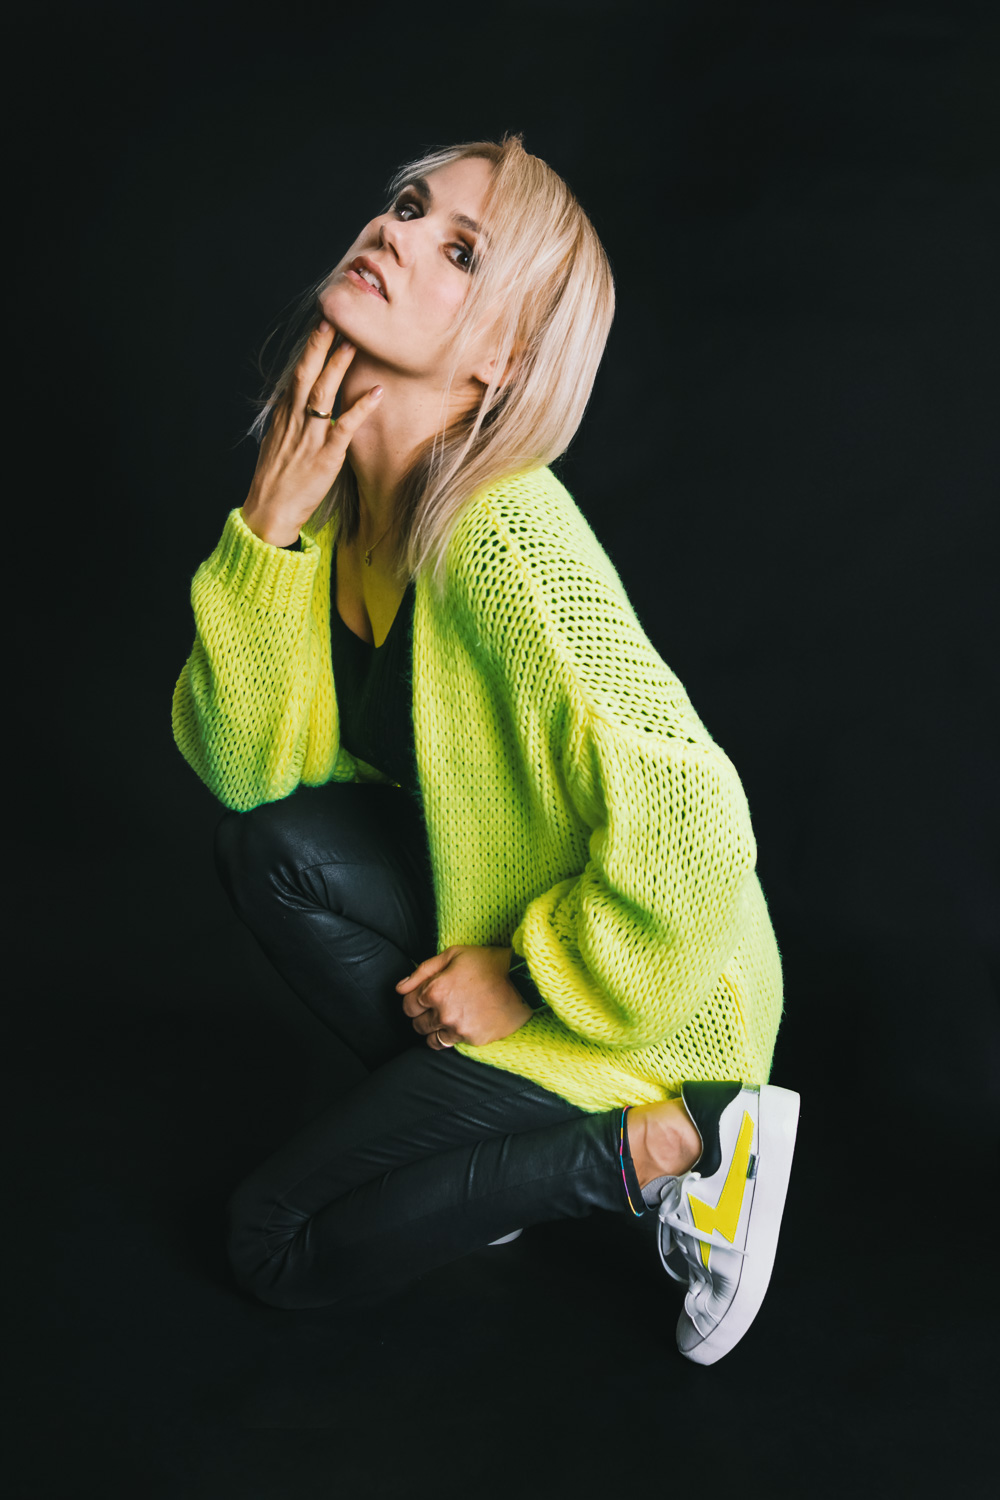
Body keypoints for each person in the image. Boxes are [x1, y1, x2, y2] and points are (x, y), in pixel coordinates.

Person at [172, 133, 799, 1365]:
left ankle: (683, 1145)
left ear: (503, 360)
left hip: (660, 1006)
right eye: (408, 207)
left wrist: (528, 976)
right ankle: (493, 1155)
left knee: (273, 1245)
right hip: (510, 923)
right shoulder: (343, 507)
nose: (395, 232)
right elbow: (247, 773)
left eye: (460, 250)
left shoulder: (501, 536)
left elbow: (695, 821)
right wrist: (267, 526)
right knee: (272, 851)